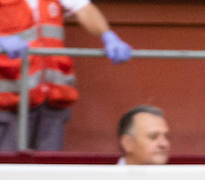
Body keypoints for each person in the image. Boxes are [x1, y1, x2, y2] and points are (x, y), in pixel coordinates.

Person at [0, 0, 132, 151]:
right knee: (7, 168)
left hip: (51, 102)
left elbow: (83, 8)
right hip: (9, 103)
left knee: (49, 169)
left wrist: (107, 35)